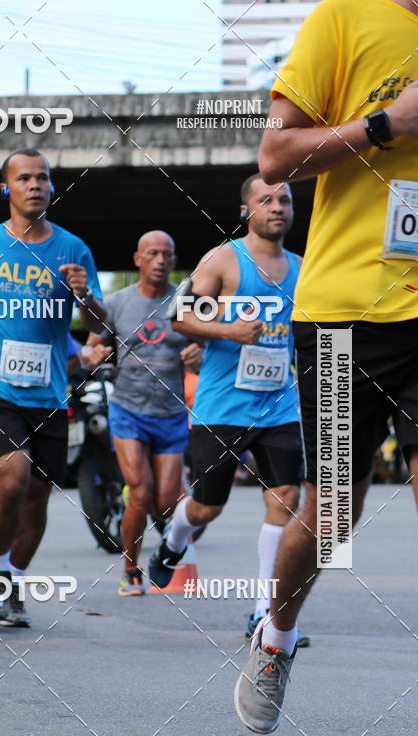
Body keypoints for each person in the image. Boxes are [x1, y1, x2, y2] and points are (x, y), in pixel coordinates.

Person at [234, 0, 418, 734]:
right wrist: (386, 124)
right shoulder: (344, 18)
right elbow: (276, 157)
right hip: (347, 317)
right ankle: (276, 637)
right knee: (336, 509)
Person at [0, 148, 105, 626]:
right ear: (6, 188)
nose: (35, 185)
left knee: (37, 498)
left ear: (52, 186)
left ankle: (12, 582)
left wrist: (85, 295)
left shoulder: (74, 249)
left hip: (49, 392)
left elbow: (98, 325)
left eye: (43, 177)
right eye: (24, 178)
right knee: (13, 478)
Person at [149, 176, 309, 647]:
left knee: (285, 498)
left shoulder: (303, 268)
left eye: (284, 200)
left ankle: (264, 610)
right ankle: (174, 540)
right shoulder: (223, 259)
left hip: (279, 405)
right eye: (266, 200)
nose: (277, 207)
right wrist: (229, 330)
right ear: (246, 210)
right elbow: (179, 316)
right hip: (223, 407)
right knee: (207, 507)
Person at [82, 231, 202, 595]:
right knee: (140, 491)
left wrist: (199, 353)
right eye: (152, 253)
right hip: (129, 411)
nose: (160, 260)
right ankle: (130, 569)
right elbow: (90, 346)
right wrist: (92, 355)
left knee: (164, 504)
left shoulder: (186, 301)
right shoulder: (117, 302)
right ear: (137, 259)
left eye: (167, 254)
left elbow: (208, 346)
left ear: (174, 259)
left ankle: (157, 539)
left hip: (170, 413)